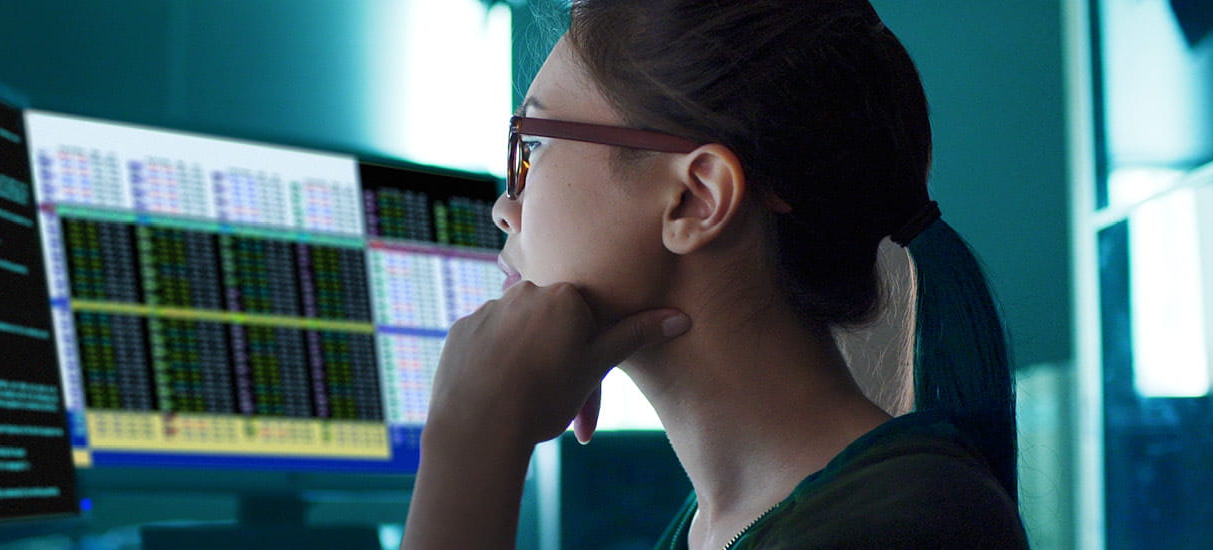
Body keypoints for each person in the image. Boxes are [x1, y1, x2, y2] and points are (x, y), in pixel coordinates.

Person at [402, 0, 1028, 548]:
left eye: (533, 146)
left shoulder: (902, 526)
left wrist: (471, 445)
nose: (503, 207)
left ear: (696, 198)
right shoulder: (727, 522)